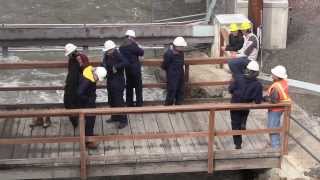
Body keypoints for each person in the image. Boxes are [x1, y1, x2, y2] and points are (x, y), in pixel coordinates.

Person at [229, 61, 263, 149]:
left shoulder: (238, 78)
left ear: (247, 69)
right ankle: (243, 122)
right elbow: (258, 101)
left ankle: (238, 144)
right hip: (246, 104)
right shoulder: (258, 84)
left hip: (235, 104)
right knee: (243, 115)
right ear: (256, 73)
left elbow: (230, 89)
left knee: (235, 124)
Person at [101, 40, 129, 129]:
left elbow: (126, 62)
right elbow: (103, 63)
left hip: (118, 81)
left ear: (113, 49)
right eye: (106, 51)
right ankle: (115, 116)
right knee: (111, 100)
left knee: (119, 101)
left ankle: (123, 120)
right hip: (110, 80)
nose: (107, 52)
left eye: (108, 50)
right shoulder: (106, 55)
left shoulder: (118, 54)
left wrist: (116, 67)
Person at [78, 66, 107, 149]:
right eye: (98, 78)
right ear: (95, 74)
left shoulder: (88, 72)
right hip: (87, 103)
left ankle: (89, 135)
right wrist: (88, 100)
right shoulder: (87, 81)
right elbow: (79, 93)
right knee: (90, 120)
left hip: (89, 101)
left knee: (90, 120)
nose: (97, 80)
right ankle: (88, 141)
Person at [63, 43, 90, 129]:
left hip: (79, 83)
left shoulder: (81, 58)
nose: (69, 56)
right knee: (69, 102)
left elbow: (87, 70)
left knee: (74, 101)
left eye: (69, 54)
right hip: (72, 83)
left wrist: (80, 63)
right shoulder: (71, 59)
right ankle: (75, 119)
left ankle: (78, 119)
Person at [264, 65, 290, 149]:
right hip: (282, 107)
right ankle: (274, 144)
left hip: (275, 109)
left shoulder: (276, 86)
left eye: (273, 74)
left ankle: (275, 146)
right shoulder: (284, 82)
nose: (272, 75)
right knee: (274, 125)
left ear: (277, 76)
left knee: (272, 127)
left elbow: (274, 100)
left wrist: (265, 98)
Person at [119, 30, 145, 107]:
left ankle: (129, 104)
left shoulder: (121, 47)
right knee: (138, 87)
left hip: (127, 69)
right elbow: (141, 52)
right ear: (130, 37)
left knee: (129, 87)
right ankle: (139, 104)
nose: (134, 39)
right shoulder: (133, 45)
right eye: (133, 37)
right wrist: (137, 45)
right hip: (135, 69)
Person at [161, 36, 187, 105]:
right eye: (181, 46)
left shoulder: (181, 53)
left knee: (180, 90)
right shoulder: (168, 54)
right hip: (172, 76)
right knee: (171, 91)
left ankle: (178, 106)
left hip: (180, 74)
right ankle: (168, 107)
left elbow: (182, 62)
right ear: (176, 46)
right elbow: (164, 65)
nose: (182, 48)